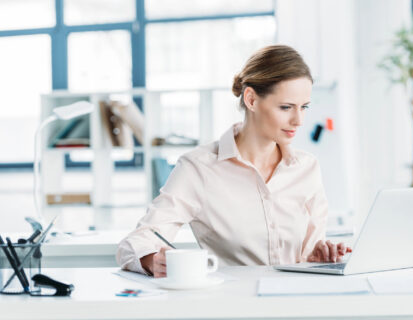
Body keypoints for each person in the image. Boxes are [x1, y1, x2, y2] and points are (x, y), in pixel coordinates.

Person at [117, 45, 351, 278]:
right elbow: (137, 242)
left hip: (300, 302)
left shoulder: (306, 167)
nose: (298, 120)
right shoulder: (199, 168)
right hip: (235, 305)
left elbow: (309, 252)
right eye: (286, 107)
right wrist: (152, 260)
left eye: (304, 107)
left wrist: (318, 256)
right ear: (251, 99)